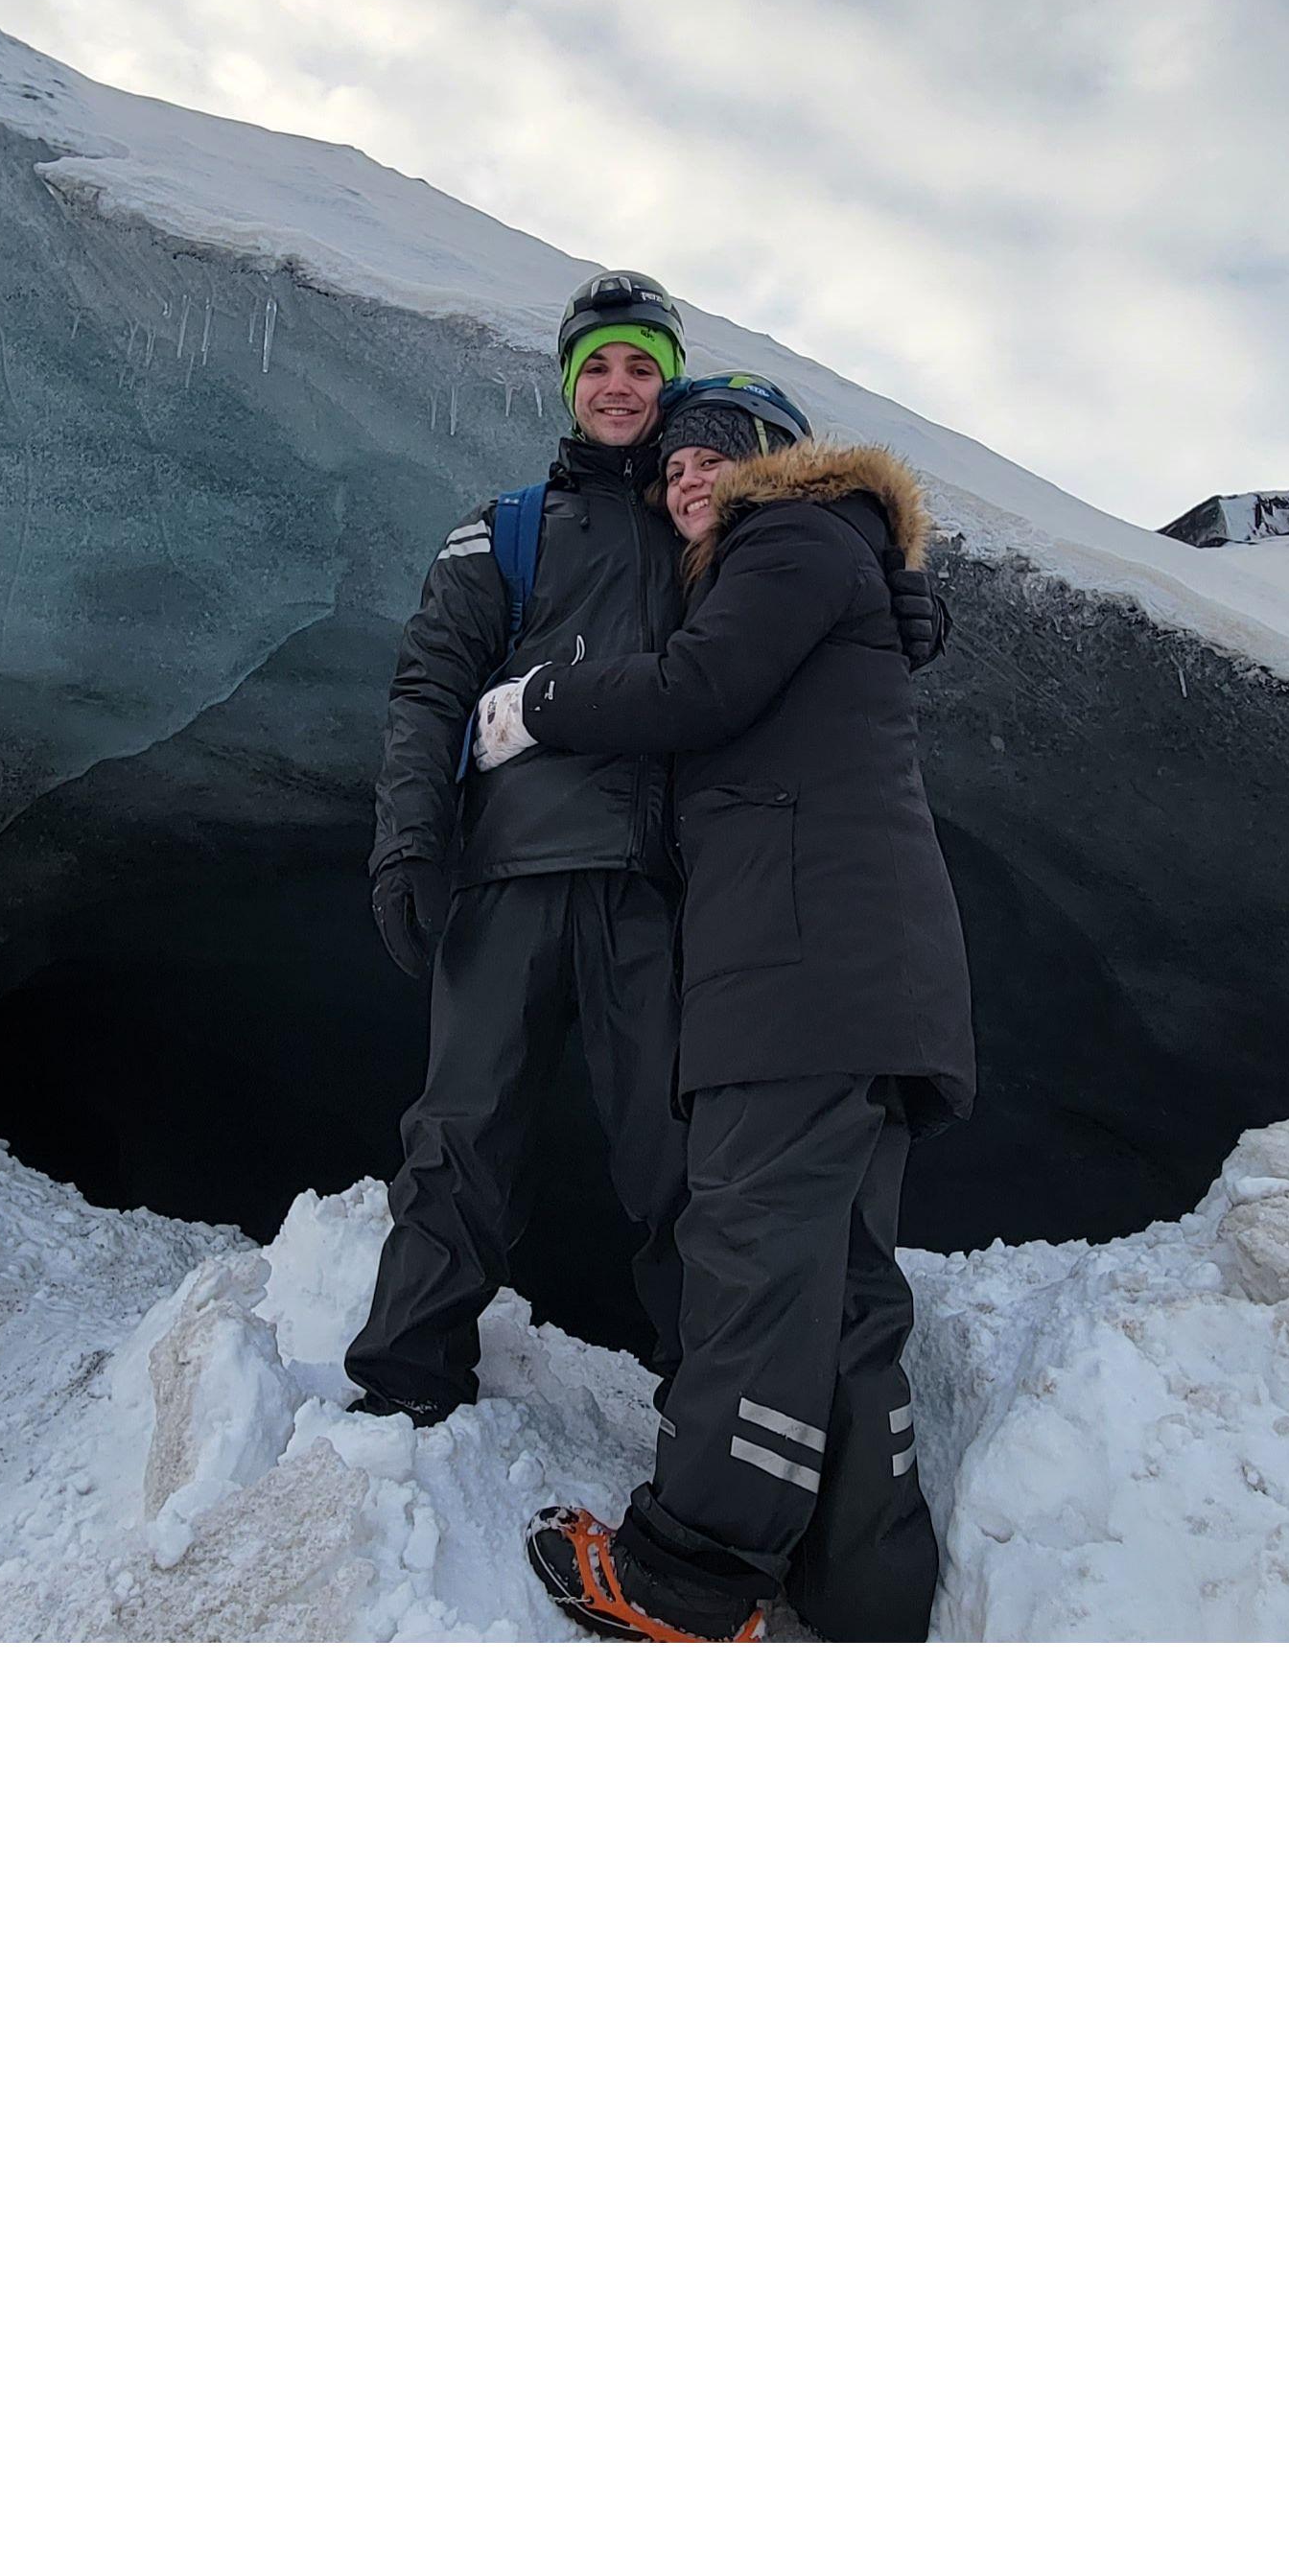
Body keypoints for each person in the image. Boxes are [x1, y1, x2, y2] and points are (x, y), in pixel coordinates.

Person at [474, 374, 973, 1643]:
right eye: (670, 465)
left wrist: (537, 703)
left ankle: (682, 1579)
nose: (683, 475)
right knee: (840, 1296)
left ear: (775, 463)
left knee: (748, 1264)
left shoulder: (794, 537)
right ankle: (864, 1597)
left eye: (713, 454)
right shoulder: (834, 557)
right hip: (867, 984)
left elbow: (696, 689)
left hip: (802, 976)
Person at [343, 271, 699, 1418]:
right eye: (597, 364)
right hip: (507, 881)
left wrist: (893, 595)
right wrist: (408, 847)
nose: (618, 386)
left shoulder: (708, 523)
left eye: (642, 365)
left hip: (655, 890)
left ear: (671, 382)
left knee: (680, 1156)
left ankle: (719, 1414)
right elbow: (427, 691)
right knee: (461, 1140)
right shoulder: (502, 529)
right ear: (566, 381)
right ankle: (404, 1392)